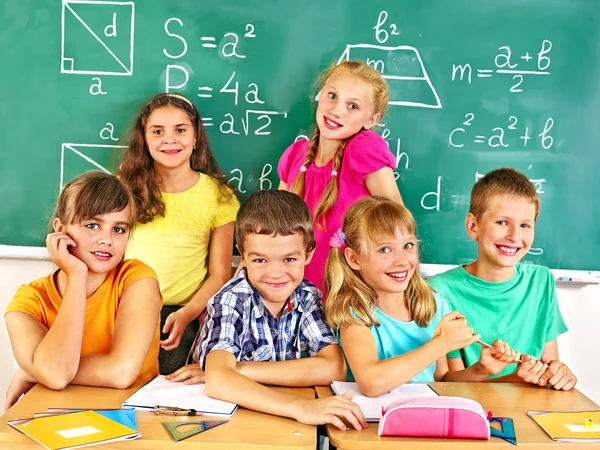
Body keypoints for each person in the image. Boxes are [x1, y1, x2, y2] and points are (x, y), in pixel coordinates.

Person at [167, 190, 366, 431]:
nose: (275, 273)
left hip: (279, 423)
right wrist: (299, 407)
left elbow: (333, 367)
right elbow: (219, 382)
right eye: (260, 260)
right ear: (242, 254)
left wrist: (238, 370)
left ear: (308, 254)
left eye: (289, 260)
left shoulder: (307, 297)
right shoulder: (231, 301)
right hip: (226, 426)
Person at [324, 196, 520, 398]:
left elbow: (440, 380)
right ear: (354, 259)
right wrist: (440, 344)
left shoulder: (433, 304)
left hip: (424, 419)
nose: (401, 261)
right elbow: (371, 383)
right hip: (374, 425)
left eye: (408, 246)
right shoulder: (354, 314)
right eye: (385, 249)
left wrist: (481, 370)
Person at [4, 171, 161, 410]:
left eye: (119, 229)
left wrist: (35, 372)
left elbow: (121, 373)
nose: (106, 239)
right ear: (60, 229)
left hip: (133, 417)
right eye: (92, 225)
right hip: (56, 415)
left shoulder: (137, 279)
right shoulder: (29, 302)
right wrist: (77, 276)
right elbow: (56, 376)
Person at [119, 93, 239, 374]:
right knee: (121, 382)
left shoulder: (219, 197)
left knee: (168, 390)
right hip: (124, 308)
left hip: (182, 314)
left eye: (180, 130)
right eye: (158, 131)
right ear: (144, 140)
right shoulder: (122, 189)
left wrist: (189, 313)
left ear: (195, 137)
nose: (169, 139)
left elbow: (219, 274)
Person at [428, 168, 577, 390]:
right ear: (473, 226)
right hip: (471, 411)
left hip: (528, 409)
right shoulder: (439, 291)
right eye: (502, 222)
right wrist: (487, 371)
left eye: (525, 225)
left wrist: (557, 374)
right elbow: (448, 384)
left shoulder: (541, 281)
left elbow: (548, 366)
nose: (515, 236)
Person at [278, 60, 402, 293]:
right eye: (332, 96)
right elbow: (269, 230)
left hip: (345, 300)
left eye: (352, 106)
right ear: (320, 94)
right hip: (292, 298)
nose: (336, 110)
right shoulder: (296, 155)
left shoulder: (364, 149)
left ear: (371, 120)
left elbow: (395, 222)